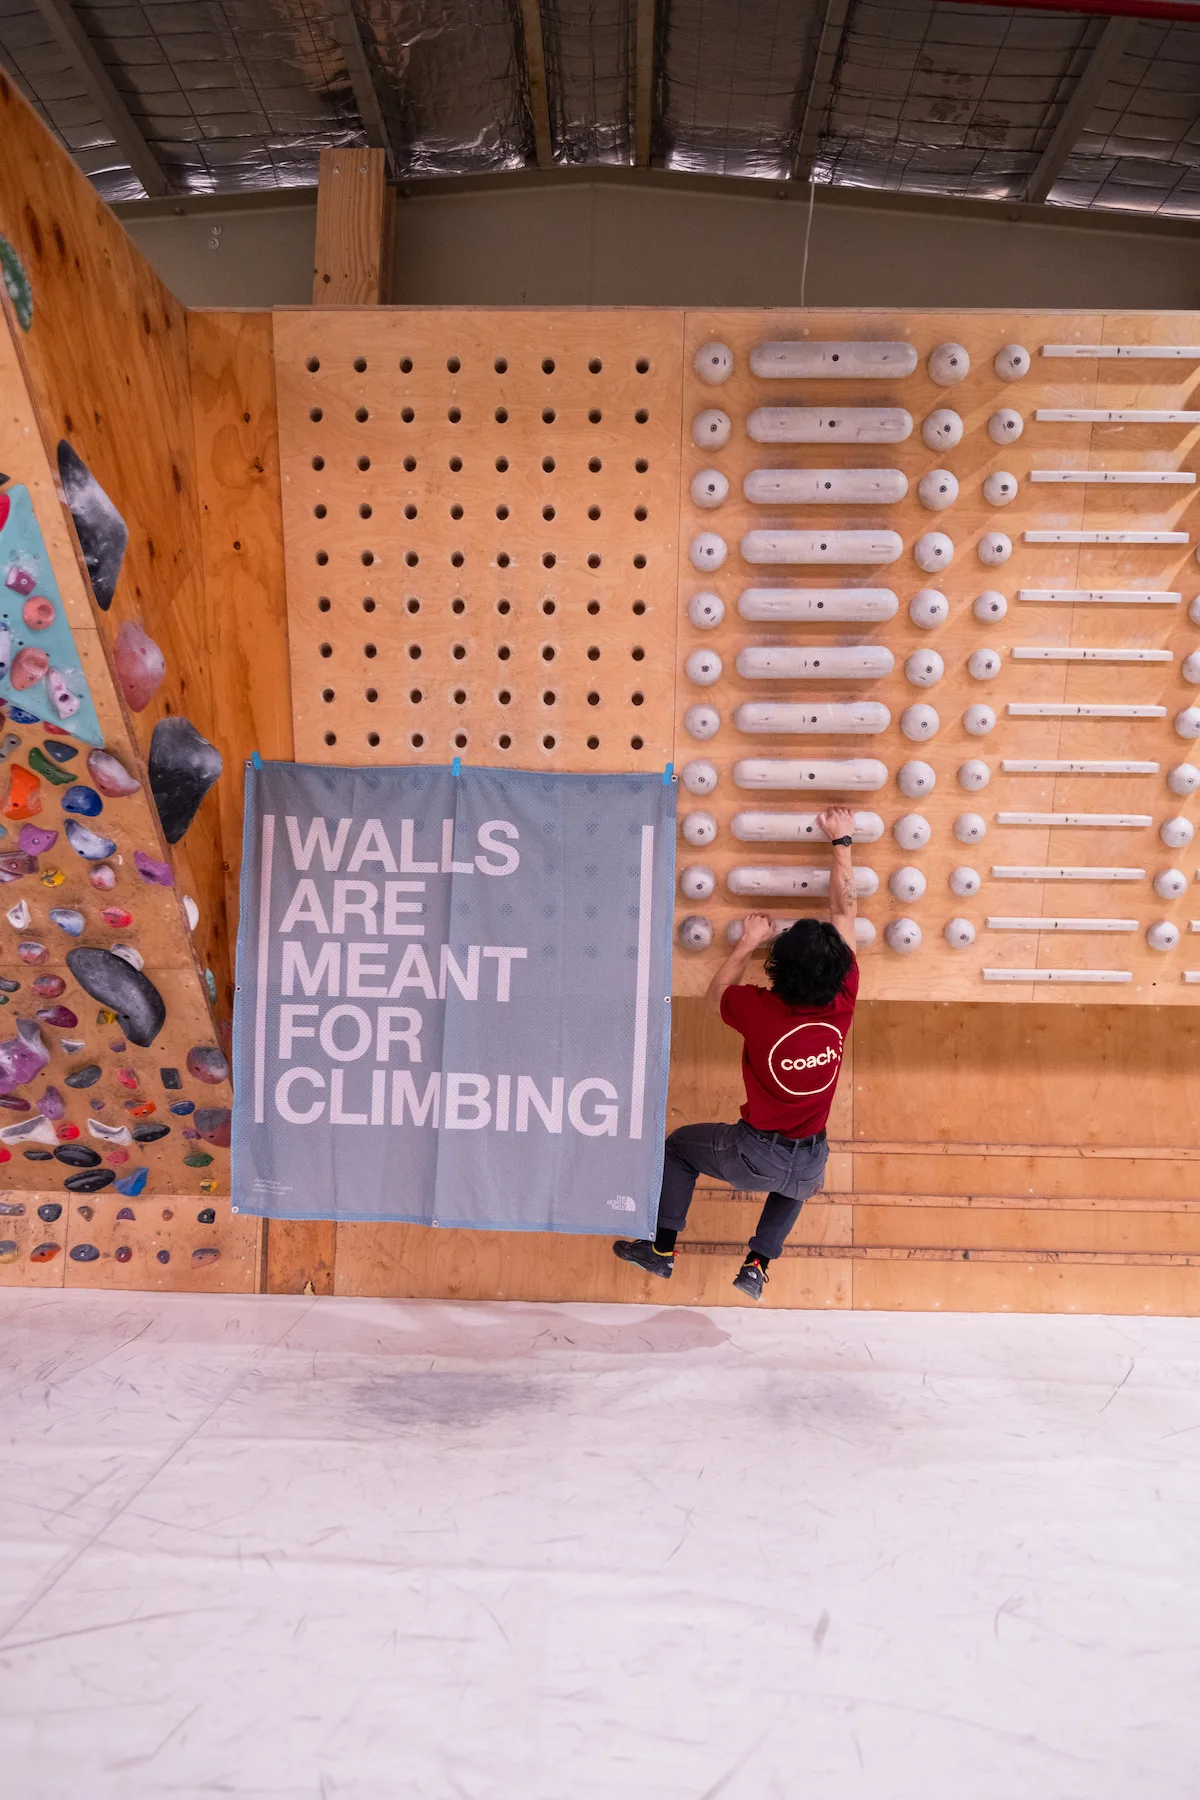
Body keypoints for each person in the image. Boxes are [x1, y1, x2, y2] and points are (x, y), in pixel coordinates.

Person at [614, 806, 860, 1301]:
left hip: (754, 1153)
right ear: (837, 970)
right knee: (795, 1182)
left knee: (679, 1147)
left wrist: (748, 942)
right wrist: (842, 842)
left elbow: (715, 995)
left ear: (778, 970)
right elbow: (846, 912)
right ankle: (757, 1265)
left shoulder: (759, 1010)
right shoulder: (844, 997)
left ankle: (661, 1249)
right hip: (811, 1158)